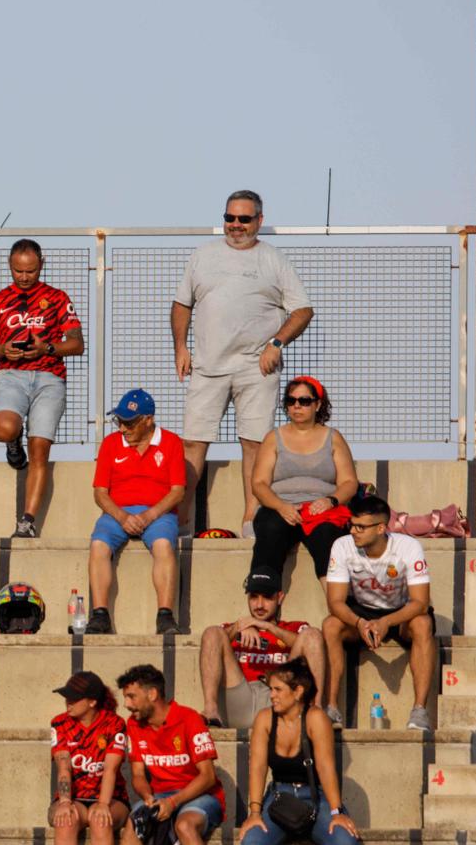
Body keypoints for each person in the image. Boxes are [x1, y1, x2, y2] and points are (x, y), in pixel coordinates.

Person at [170, 190, 313, 537]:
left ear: (259, 221)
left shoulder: (273, 260)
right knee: (192, 443)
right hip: (207, 366)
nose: (235, 225)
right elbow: (181, 304)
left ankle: (251, 520)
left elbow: (303, 309)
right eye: (230, 218)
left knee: (254, 443)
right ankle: (183, 522)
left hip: (256, 368)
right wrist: (180, 346)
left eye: (244, 219)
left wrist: (276, 343)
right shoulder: (202, 256)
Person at [238, 661, 361, 845]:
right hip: (279, 796)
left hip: (315, 796)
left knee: (345, 840)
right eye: (271, 689)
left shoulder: (316, 718)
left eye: (278, 689)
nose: (271, 695)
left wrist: (337, 812)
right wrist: (255, 812)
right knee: (251, 840)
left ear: (298, 691)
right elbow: (257, 766)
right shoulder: (264, 718)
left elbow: (327, 766)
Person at [0, 239, 85, 538]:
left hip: (49, 378)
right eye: (18, 271)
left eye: (31, 271)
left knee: (40, 450)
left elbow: (77, 344)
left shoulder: (58, 298)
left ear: (42, 264)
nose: (24, 277)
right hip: (11, 374)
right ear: (10, 266)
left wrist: (47, 348)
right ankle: (13, 444)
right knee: (4, 427)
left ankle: (26, 521)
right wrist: (3, 349)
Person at [322, 494, 438, 732]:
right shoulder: (342, 546)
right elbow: (335, 602)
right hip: (361, 610)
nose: (354, 531)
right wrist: (360, 622)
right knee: (330, 625)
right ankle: (331, 708)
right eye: (352, 524)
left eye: (361, 527)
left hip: (401, 611)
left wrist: (385, 622)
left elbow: (420, 602)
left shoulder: (408, 547)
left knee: (423, 624)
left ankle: (419, 711)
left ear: (381, 528)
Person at [117, 664, 221, 845]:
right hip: (161, 795)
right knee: (134, 822)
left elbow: (207, 776)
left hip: (201, 795)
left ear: (152, 694)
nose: (127, 705)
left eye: (132, 697)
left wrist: (173, 802)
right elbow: (139, 776)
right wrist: (147, 797)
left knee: (185, 826)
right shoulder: (134, 724)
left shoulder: (189, 719)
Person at [86, 389, 185, 636]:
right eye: (119, 421)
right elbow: (100, 492)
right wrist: (122, 517)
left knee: (163, 545)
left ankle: (165, 615)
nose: (122, 428)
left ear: (148, 420)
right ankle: (99, 615)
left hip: (158, 513)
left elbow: (177, 491)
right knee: (98, 545)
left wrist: (148, 516)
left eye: (129, 422)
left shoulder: (171, 442)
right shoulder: (110, 443)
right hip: (117, 512)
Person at [247, 376, 356, 582]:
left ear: (317, 404)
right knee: (270, 532)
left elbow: (349, 482)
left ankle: (339, 607)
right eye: (291, 401)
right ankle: (262, 601)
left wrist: (329, 501)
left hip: (321, 509)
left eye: (304, 401)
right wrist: (281, 506)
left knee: (328, 538)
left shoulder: (333, 437)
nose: (297, 406)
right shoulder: (273, 437)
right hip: (280, 507)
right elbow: (259, 483)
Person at [198, 573, 328, 730]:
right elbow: (212, 642)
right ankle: (211, 712)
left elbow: (311, 641)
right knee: (212, 632)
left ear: (280, 598)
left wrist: (269, 627)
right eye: (254, 597)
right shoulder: (234, 628)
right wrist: (239, 627)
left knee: (313, 635)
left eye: (267, 597)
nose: (259, 605)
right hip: (239, 698)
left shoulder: (293, 628)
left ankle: (317, 709)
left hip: (279, 697)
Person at [47, 672, 130, 845]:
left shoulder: (114, 724)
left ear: (92, 701)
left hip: (111, 798)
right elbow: (63, 767)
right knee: (66, 819)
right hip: (75, 798)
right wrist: (65, 802)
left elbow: (110, 769)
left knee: (100, 819)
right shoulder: (60, 723)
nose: (68, 703)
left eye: (74, 699)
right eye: (67, 697)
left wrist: (103, 804)